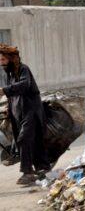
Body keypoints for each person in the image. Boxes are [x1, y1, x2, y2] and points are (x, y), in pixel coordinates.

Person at [0, 45, 50, 185]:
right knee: (31, 141)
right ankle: (43, 167)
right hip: (18, 113)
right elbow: (12, 96)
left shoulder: (23, 69)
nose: (1, 62)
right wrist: (9, 109)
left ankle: (27, 172)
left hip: (31, 111)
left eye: (3, 59)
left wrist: (4, 90)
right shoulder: (8, 74)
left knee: (24, 139)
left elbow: (25, 85)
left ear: (10, 58)